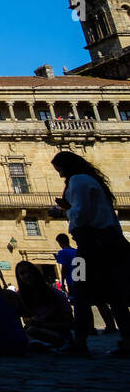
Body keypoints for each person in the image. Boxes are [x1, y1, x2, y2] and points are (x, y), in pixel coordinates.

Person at [48, 151, 130, 357]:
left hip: (91, 245)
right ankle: (127, 340)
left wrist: (64, 211)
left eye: (59, 169)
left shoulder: (77, 180)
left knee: (79, 289)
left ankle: (80, 341)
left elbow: (82, 213)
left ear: (66, 166)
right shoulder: (91, 180)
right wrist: (66, 210)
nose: (59, 174)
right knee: (115, 294)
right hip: (108, 243)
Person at [14, 260, 73, 349]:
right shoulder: (21, 297)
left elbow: (70, 323)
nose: (26, 276)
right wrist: (31, 320)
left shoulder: (56, 294)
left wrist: (42, 324)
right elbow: (25, 318)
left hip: (58, 333)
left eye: (29, 272)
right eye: (22, 273)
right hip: (34, 332)